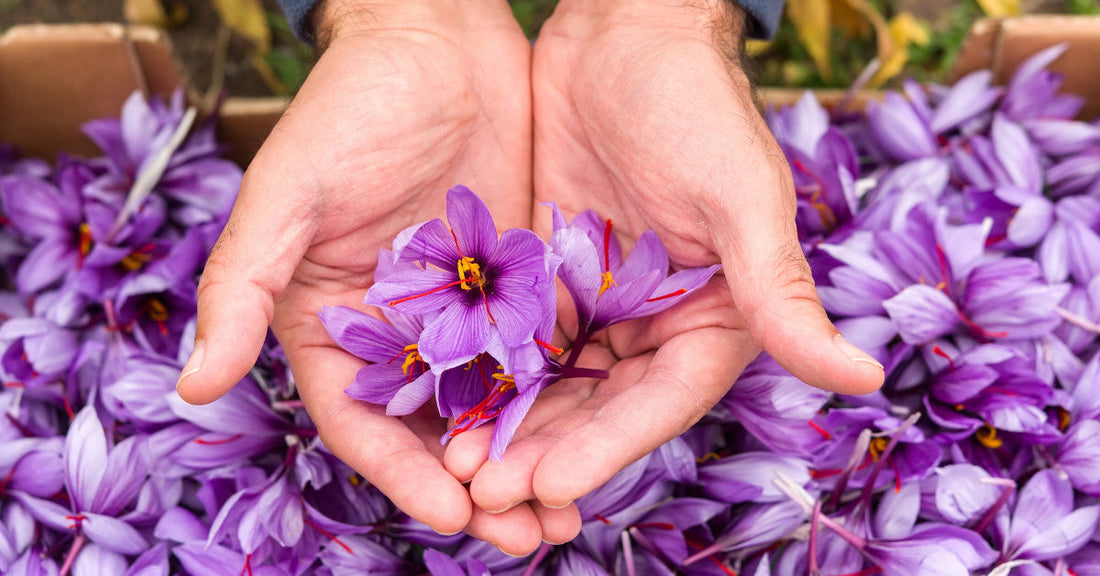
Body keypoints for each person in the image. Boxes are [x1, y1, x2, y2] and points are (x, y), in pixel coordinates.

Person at [175, 0, 885, 557]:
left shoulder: (498, 268)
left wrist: (662, 17)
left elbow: (509, 292)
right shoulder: (468, 283)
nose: (465, 269)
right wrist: (402, 18)